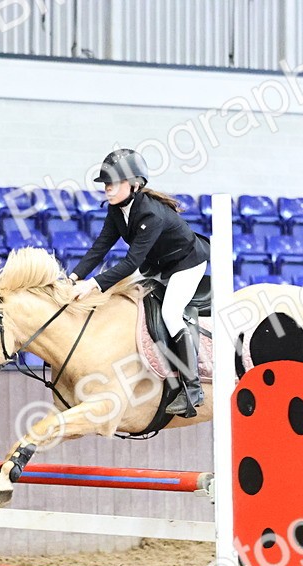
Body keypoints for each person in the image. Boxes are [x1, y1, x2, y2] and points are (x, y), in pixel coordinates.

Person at [68, 149, 210, 417]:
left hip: (186, 264)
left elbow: (131, 262)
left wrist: (92, 284)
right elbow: (100, 248)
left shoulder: (151, 214)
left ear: (134, 184)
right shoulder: (116, 210)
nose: (108, 189)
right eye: (105, 184)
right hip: (158, 265)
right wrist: (73, 277)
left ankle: (192, 388)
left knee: (170, 313)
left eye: (113, 183)